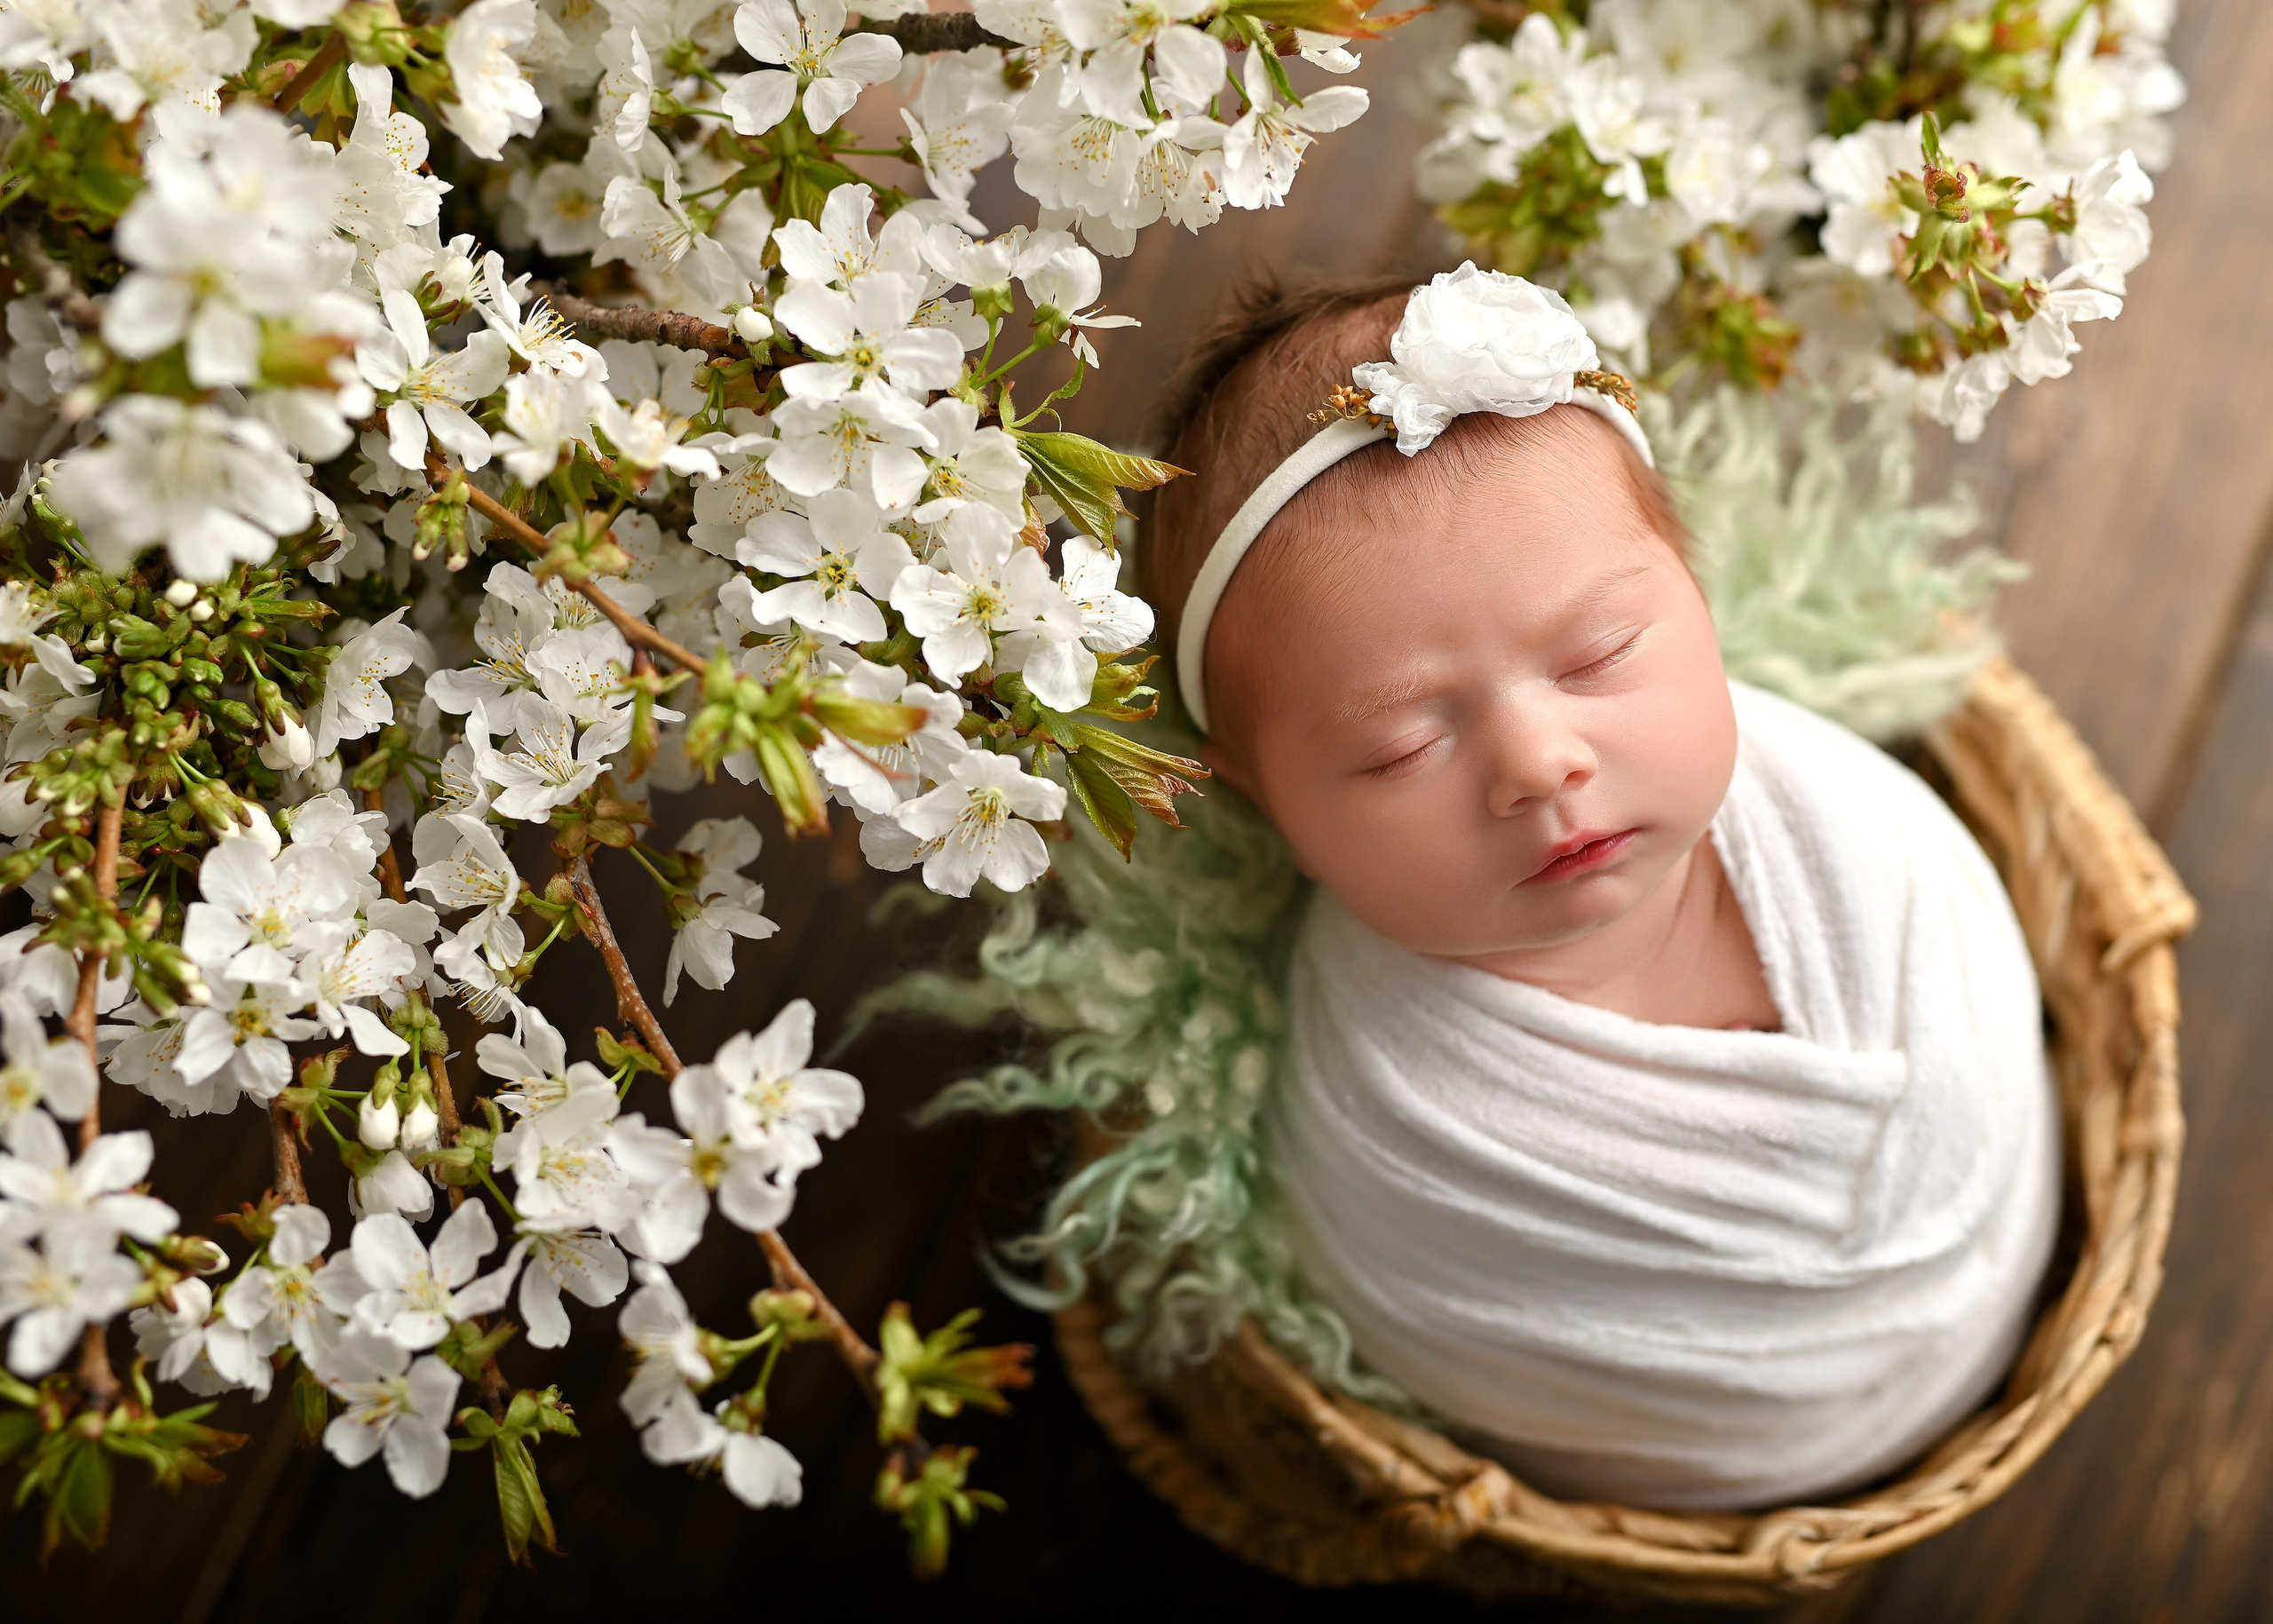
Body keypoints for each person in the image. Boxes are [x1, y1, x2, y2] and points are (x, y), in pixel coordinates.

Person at [1137, 264, 2060, 1509]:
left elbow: (1983, 1021)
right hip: (1720, 1467)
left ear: (1695, 589)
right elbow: (1440, 1314)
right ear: (1265, 804)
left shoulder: (1853, 834)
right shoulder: (1389, 1111)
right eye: (1403, 746)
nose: (1536, 762)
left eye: (1598, 654)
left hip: (2012, 1261)